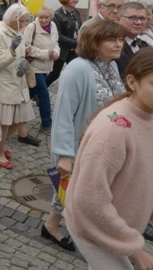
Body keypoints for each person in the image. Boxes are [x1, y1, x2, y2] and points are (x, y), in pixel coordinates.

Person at [64, 49, 153, 270]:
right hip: (94, 229)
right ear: (132, 82)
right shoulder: (113, 130)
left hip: (118, 225)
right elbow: (88, 200)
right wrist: (134, 249)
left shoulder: (147, 114)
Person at [42, 19, 126, 252]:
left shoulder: (112, 66)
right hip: (80, 147)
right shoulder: (77, 68)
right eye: (112, 40)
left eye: (120, 39)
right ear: (94, 43)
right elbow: (64, 115)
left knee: (74, 191)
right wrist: (64, 155)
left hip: (104, 145)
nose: (119, 44)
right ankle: (74, 232)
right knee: (71, 190)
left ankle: (51, 226)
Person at [0, 3, 39, 170]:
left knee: (20, 120)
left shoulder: (17, 31)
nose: (25, 25)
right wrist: (11, 49)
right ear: (13, 19)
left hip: (18, 84)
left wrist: (25, 62)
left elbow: (22, 55)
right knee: (5, 123)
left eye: (26, 21)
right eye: (22, 21)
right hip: (5, 84)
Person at [23, 4, 59, 133]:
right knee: (44, 94)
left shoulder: (53, 26)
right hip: (34, 67)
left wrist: (56, 53)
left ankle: (17, 112)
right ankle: (46, 124)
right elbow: (26, 47)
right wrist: (45, 53)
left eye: (46, 18)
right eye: (41, 17)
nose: (43, 20)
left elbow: (56, 44)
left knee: (30, 93)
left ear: (51, 17)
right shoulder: (32, 27)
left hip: (47, 66)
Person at [47, 0, 82, 86]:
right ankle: (38, 92)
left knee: (77, 72)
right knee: (54, 74)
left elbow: (78, 28)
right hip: (62, 49)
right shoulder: (57, 15)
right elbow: (58, 35)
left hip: (74, 50)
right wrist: (75, 43)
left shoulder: (75, 12)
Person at [115, 1, 150, 77]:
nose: (138, 22)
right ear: (118, 19)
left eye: (142, 18)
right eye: (132, 18)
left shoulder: (144, 45)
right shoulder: (113, 46)